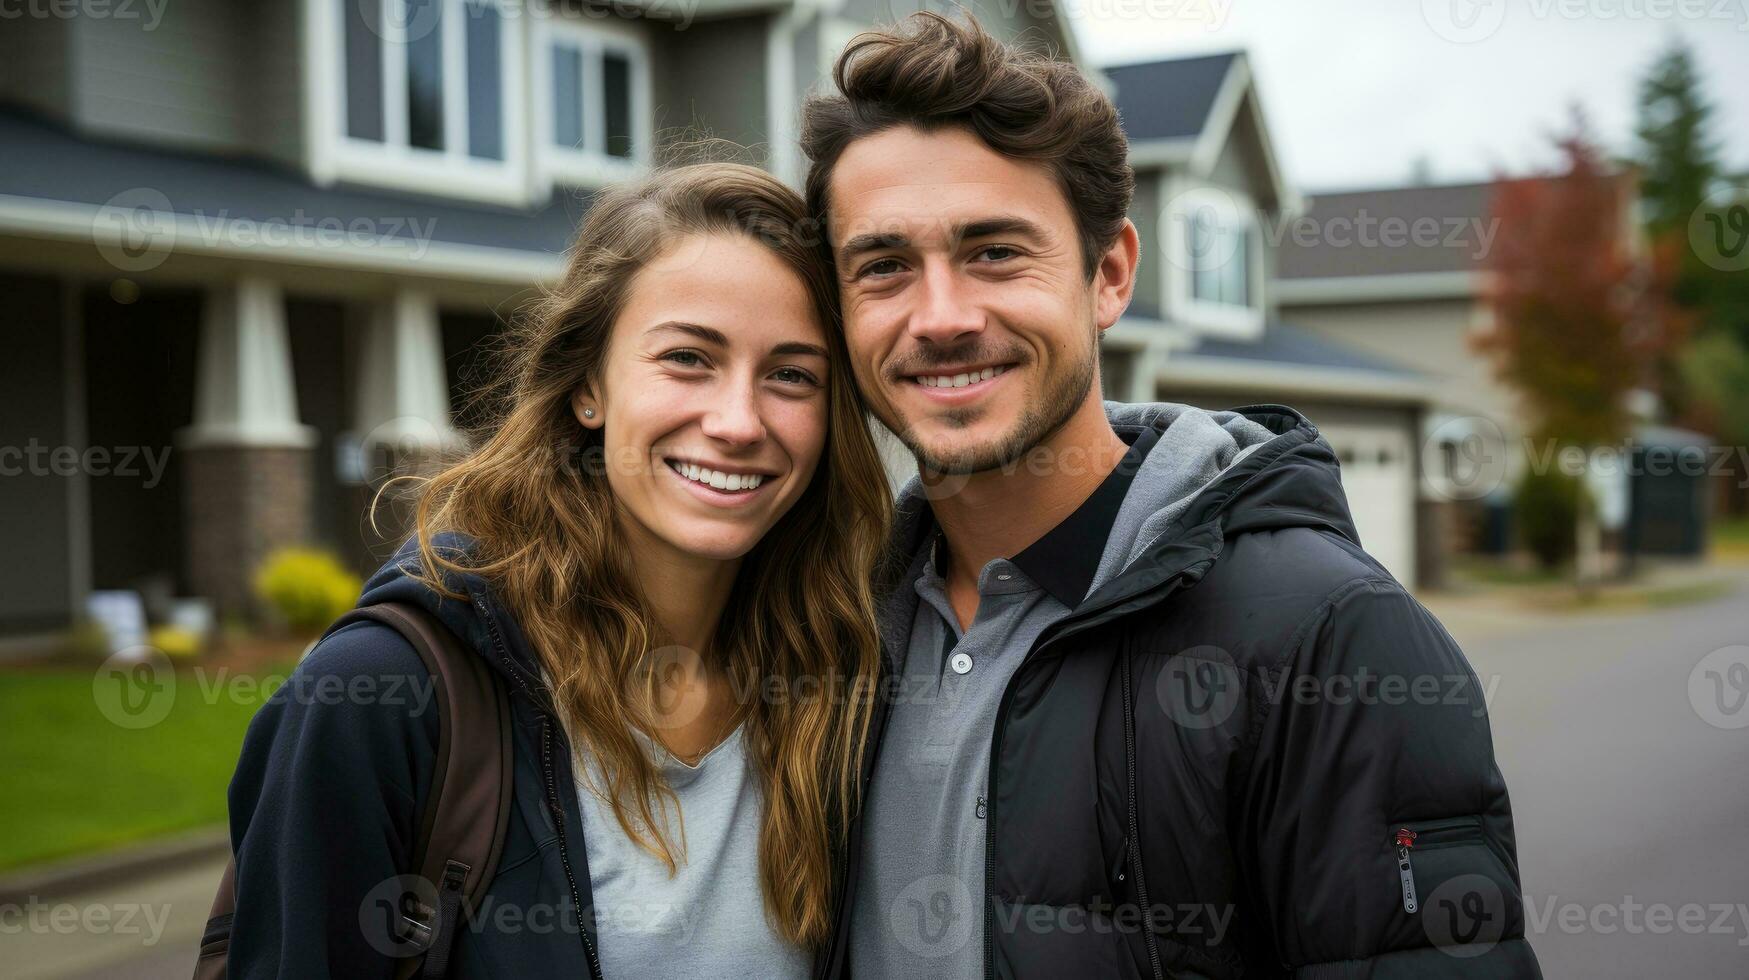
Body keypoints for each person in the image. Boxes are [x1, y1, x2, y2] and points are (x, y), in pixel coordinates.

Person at [800, 13, 1541, 977]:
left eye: (993, 252)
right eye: (885, 266)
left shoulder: (1329, 636)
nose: (941, 318)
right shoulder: (830, 625)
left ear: (1108, 275)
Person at [219, 163, 891, 978]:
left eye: (791, 375)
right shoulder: (384, 695)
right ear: (586, 388)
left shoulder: (847, 679)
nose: (737, 421)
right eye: (686, 358)